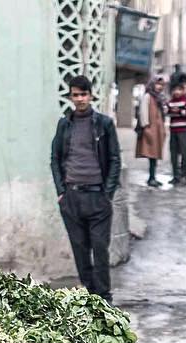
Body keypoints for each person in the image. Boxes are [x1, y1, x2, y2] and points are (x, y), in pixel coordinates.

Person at [50, 74, 121, 303]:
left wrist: (107, 194)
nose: (79, 99)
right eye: (75, 95)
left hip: (97, 197)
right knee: (80, 251)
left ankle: (104, 298)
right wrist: (61, 192)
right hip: (72, 197)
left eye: (83, 94)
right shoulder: (64, 124)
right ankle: (90, 296)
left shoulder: (104, 124)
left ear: (91, 96)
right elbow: (55, 158)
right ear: (70, 97)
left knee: (100, 249)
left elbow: (114, 159)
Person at [135, 75, 166, 189]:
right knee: (152, 154)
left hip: (158, 129)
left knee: (155, 154)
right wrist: (145, 126)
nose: (159, 87)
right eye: (157, 84)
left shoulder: (159, 98)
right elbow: (143, 112)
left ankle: (153, 177)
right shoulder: (148, 96)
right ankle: (151, 178)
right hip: (150, 128)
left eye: (161, 85)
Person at [166, 79, 186, 185]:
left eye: (179, 90)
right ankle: (175, 176)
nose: (177, 92)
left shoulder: (185, 102)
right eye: (175, 90)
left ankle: (185, 176)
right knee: (173, 154)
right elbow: (166, 111)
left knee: (184, 154)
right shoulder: (170, 102)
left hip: (183, 131)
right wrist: (171, 111)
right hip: (173, 131)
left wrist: (179, 111)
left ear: (182, 91)